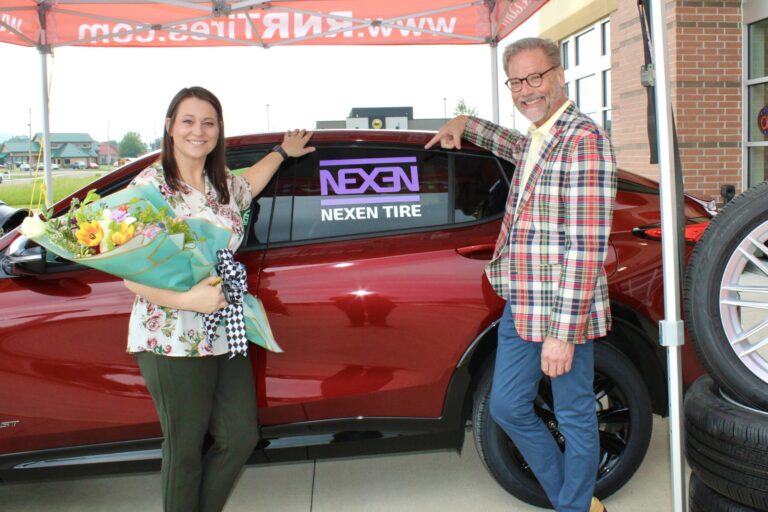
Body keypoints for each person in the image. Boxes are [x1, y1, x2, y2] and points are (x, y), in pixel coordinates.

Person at [426, 38, 616, 512]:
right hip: (522, 303)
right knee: (507, 406)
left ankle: (574, 506)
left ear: (560, 75)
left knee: (573, 414)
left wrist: (562, 335)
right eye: (516, 82)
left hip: (563, 312)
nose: (526, 90)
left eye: (536, 77)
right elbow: (510, 143)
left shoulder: (584, 141)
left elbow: (586, 247)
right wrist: (464, 122)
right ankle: (573, 499)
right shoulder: (538, 136)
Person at [123, 86, 314, 512]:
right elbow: (130, 277)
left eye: (208, 122)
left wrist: (282, 152)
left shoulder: (221, 184)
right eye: (188, 121)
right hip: (171, 334)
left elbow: (250, 184)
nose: (199, 131)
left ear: (218, 130)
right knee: (185, 448)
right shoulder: (149, 188)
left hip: (224, 325)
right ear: (170, 126)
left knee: (239, 436)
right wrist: (189, 301)